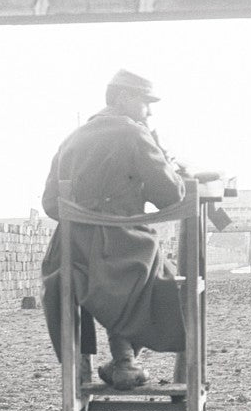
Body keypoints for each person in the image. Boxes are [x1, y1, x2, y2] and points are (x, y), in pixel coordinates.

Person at [40, 69, 190, 389]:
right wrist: (161, 156)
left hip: (70, 257)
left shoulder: (72, 138)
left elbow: (51, 204)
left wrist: (89, 214)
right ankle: (124, 361)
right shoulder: (135, 134)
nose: (149, 112)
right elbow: (171, 196)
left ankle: (120, 363)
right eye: (145, 103)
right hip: (124, 251)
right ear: (123, 98)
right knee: (167, 281)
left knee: (124, 276)